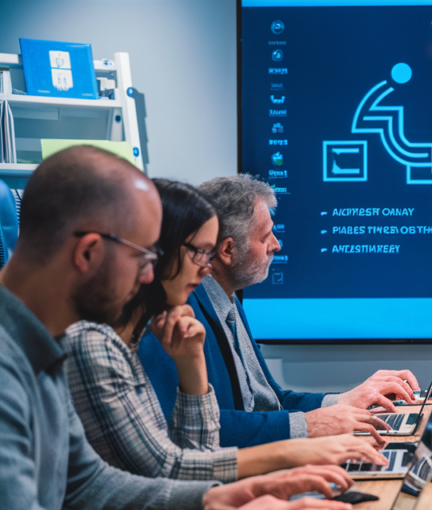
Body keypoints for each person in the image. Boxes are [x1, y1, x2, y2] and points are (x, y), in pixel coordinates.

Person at [0, 145, 353, 510]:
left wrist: (212, 498)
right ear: (89, 252)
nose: (151, 276)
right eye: (145, 257)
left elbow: (87, 483)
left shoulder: (43, 344)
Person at [65, 178, 388, 482]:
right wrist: (298, 445)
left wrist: (337, 407)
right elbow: (168, 467)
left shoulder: (221, 307)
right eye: (200, 252)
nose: (205, 267)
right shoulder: (114, 338)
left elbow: (195, 451)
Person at [140, 174, 420, 448]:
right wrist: (312, 427)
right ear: (228, 249)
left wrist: (344, 401)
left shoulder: (229, 302)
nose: (277, 244)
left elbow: (271, 401)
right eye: (266, 236)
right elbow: (191, 430)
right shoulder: (176, 314)